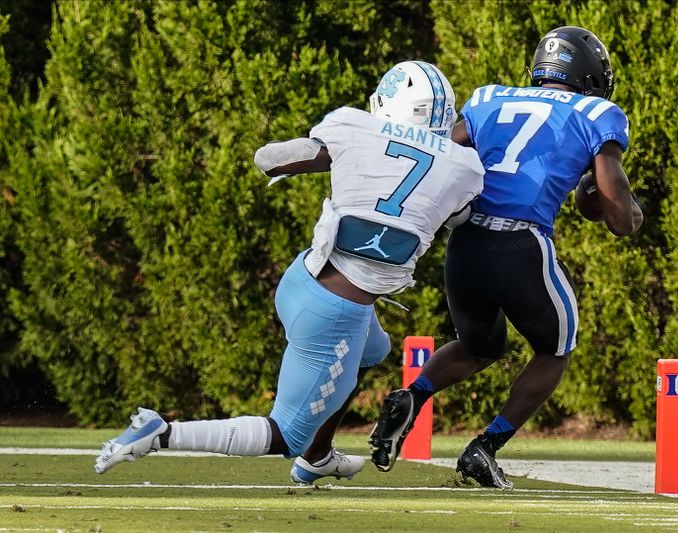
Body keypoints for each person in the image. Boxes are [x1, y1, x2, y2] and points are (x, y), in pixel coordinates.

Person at [93, 61, 484, 484]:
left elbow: (271, 158)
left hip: (303, 278)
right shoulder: (464, 167)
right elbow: (459, 216)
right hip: (336, 311)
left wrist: (331, 159)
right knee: (286, 435)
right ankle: (160, 433)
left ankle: (320, 455)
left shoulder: (353, 126)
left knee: (373, 350)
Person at [369, 26, 644, 489]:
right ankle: (485, 447)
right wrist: (628, 213)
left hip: (466, 245)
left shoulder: (488, 99)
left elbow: (440, 156)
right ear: (590, 72)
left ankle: (411, 397)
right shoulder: (598, 112)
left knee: (481, 346)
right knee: (555, 348)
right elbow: (617, 212)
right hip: (522, 244)